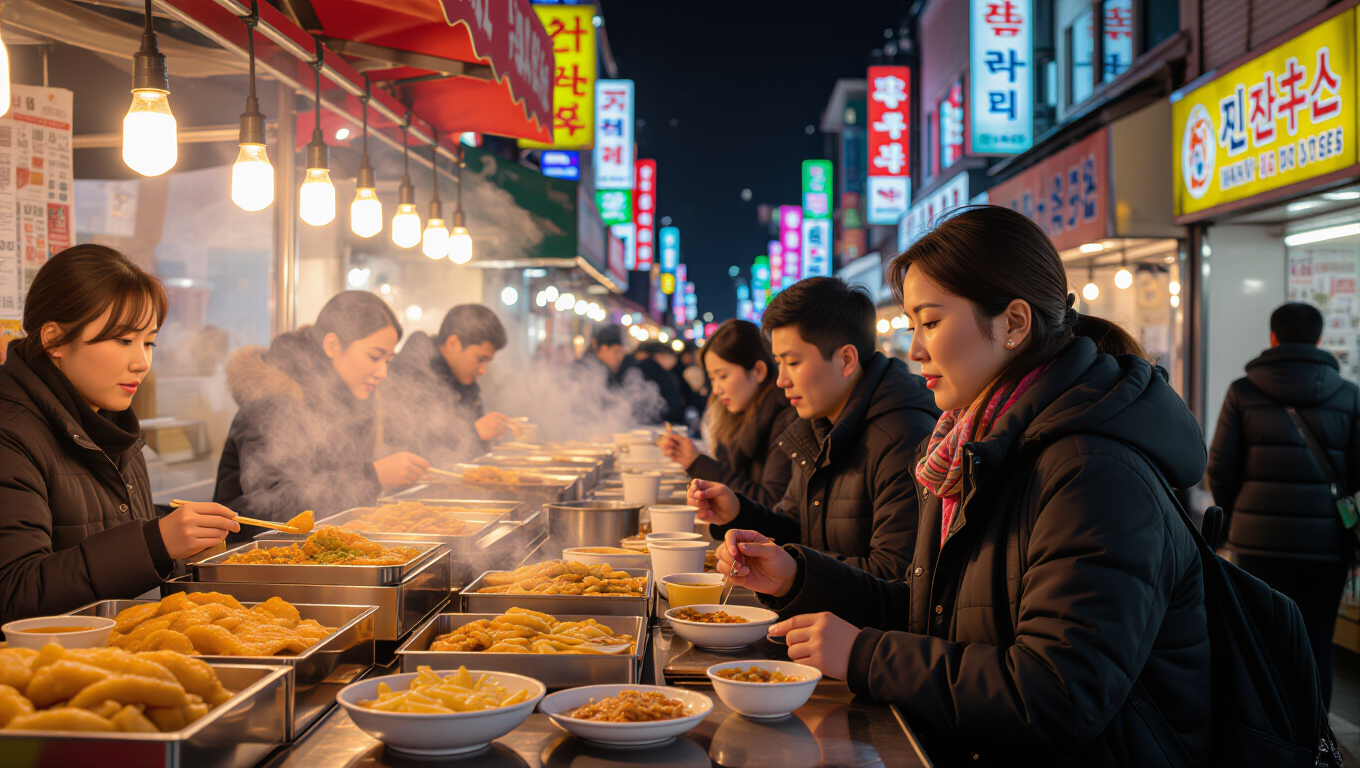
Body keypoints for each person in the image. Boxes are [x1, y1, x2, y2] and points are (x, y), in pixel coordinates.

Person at [712, 206, 1211, 766]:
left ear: (1014, 324)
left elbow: (1057, 693)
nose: (915, 350)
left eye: (930, 322)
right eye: (912, 327)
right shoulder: (964, 448)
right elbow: (931, 616)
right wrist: (796, 576)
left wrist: (865, 655)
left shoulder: (1092, 471)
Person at [0, 245, 239, 623]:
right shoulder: (10, 433)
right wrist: (156, 543)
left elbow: (118, 548)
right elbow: (14, 593)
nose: (142, 362)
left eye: (149, 342)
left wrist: (185, 548)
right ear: (54, 340)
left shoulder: (111, 424)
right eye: (124, 340)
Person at [689, 277, 940, 580]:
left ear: (846, 359)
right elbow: (796, 526)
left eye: (793, 363)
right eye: (779, 362)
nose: (781, 380)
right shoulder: (816, 425)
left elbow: (896, 575)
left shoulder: (903, 437)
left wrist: (794, 571)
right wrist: (738, 512)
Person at [1208, 301, 1358, 709]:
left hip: (1259, 544)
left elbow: (1219, 468)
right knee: (1317, 643)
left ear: (1273, 337)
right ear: (1320, 339)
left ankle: (1269, 734)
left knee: (1263, 640)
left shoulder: (1242, 391)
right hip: (1327, 546)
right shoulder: (1349, 395)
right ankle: (1316, 734)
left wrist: (1238, 517)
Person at [214, 291, 430, 530]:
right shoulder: (273, 402)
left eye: (388, 361)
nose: (383, 373)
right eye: (374, 356)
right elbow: (271, 507)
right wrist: (373, 476)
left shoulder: (352, 399)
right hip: (253, 548)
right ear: (332, 345)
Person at [662, 319, 798, 507]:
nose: (716, 389)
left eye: (723, 376)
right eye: (712, 378)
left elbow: (772, 504)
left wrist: (697, 462)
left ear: (758, 371)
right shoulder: (733, 417)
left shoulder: (786, 421)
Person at [383, 304, 511, 464]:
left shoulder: (463, 380)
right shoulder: (412, 372)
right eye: (480, 359)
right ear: (452, 343)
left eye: (488, 362)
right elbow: (411, 443)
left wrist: (493, 434)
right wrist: (474, 433)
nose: (483, 370)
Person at [636, 341, 686, 425]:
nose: (674, 360)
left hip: (665, 419)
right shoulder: (652, 371)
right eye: (671, 356)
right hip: (656, 421)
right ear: (658, 356)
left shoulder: (669, 372)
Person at [577, 325, 631, 389]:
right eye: (617, 352)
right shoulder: (584, 371)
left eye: (622, 353)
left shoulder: (607, 373)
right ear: (604, 348)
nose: (621, 357)